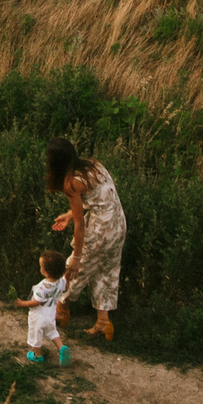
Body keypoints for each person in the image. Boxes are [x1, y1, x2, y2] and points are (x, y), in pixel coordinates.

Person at [47, 137, 126, 341]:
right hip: (117, 225)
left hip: (100, 230)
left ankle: (59, 309)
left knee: (74, 270)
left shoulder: (71, 183)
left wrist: (78, 257)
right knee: (106, 271)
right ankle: (103, 322)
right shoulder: (93, 166)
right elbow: (99, 200)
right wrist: (68, 215)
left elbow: (80, 226)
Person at [17, 250, 70, 366]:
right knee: (52, 332)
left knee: (36, 335)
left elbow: (36, 302)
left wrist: (22, 303)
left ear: (46, 271)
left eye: (41, 266)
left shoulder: (42, 287)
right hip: (51, 314)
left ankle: (37, 356)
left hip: (38, 316)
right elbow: (66, 283)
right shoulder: (61, 282)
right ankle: (61, 347)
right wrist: (67, 274)